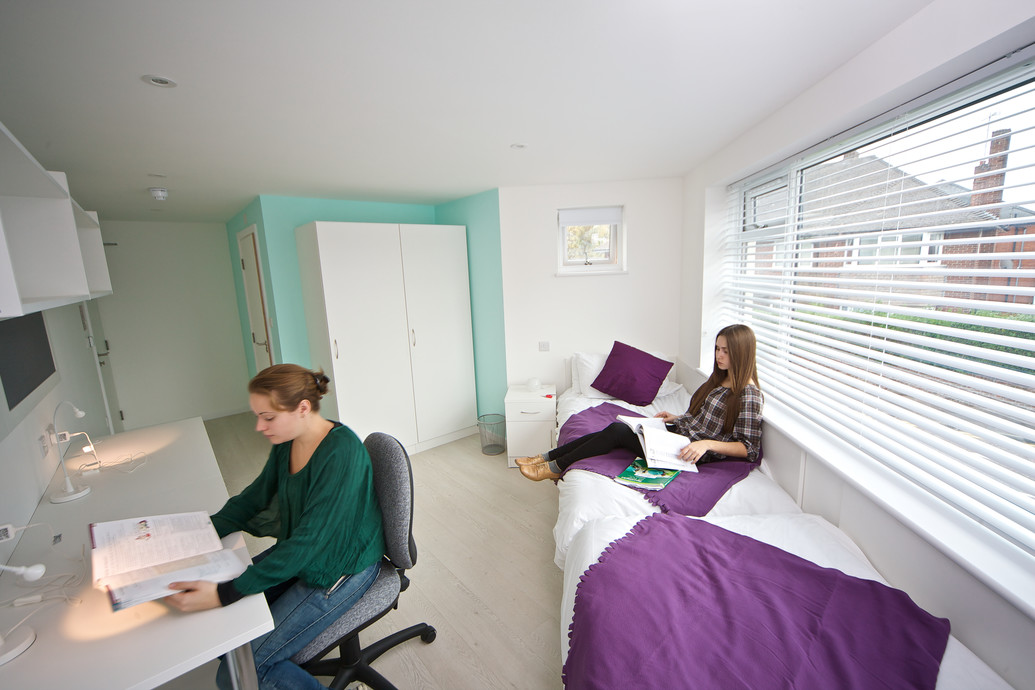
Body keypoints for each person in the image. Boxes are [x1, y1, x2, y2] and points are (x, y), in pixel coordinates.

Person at [164, 364, 385, 690]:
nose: (259, 426)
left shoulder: (342, 453)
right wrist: (198, 535)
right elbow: (253, 498)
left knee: (242, 673)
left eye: (268, 417)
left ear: (303, 408)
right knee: (228, 634)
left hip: (341, 568)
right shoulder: (289, 439)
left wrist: (225, 593)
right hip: (305, 553)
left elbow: (309, 543)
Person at [518, 324, 763, 481]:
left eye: (726, 351)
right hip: (680, 435)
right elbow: (707, 418)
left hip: (691, 453)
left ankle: (553, 466)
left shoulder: (748, 394)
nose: (719, 356)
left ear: (741, 353)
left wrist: (706, 445)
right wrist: (676, 419)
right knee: (617, 428)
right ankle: (546, 457)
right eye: (718, 349)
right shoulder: (721, 379)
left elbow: (749, 448)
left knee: (617, 431)